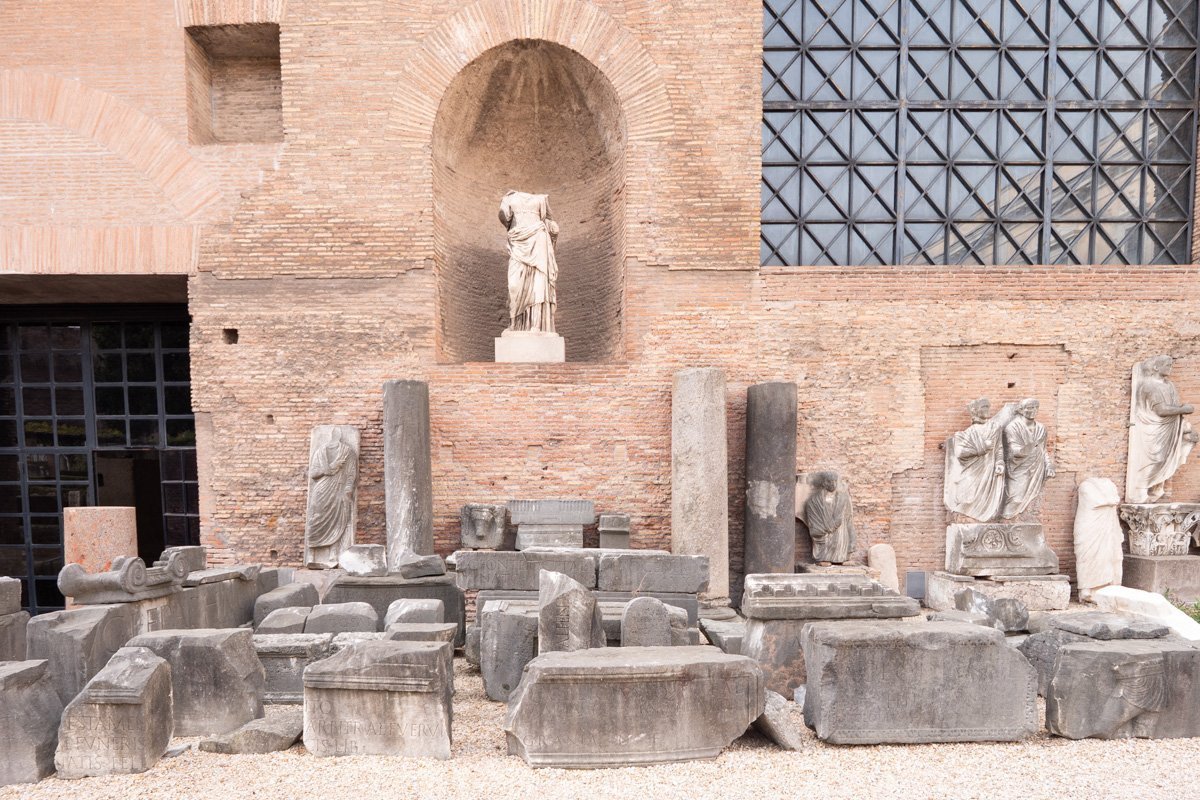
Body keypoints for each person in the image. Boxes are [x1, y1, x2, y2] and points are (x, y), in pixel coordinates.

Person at [1126, 355, 1197, 503]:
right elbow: (1161, 410)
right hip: (1153, 427)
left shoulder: (1169, 385)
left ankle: (1157, 488)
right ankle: (1140, 490)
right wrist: (1183, 409)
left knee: (1166, 458)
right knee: (1155, 459)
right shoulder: (1150, 385)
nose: (1169, 368)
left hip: (1169, 427)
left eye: (1170, 365)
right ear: (1156, 367)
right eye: (1166, 365)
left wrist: (1182, 423)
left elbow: (1173, 406)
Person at [499, 190, 559, 333]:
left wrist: (552, 227)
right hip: (518, 241)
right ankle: (514, 324)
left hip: (538, 239)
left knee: (538, 283)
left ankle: (536, 325)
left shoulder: (542, 199)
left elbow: (548, 220)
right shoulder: (508, 198)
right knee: (514, 285)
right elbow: (504, 217)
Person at [943, 397, 1006, 521]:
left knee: (985, 498)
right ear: (976, 411)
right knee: (967, 496)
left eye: (988, 406)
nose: (988, 410)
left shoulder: (995, 428)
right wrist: (981, 448)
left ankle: (982, 517)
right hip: (972, 471)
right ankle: (966, 518)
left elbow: (999, 448)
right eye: (984, 407)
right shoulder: (968, 433)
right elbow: (960, 453)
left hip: (989, 469)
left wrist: (1000, 462)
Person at [304, 427, 357, 568]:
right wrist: (328, 468)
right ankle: (311, 554)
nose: (336, 434)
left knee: (337, 521)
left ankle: (333, 554)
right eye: (334, 433)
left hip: (338, 489)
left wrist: (348, 488)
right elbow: (313, 473)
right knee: (315, 520)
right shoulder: (320, 452)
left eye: (338, 433)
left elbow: (351, 473)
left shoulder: (348, 452)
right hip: (321, 490)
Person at [1001, 398, 1054, 519]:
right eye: (1030, 407)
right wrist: (1032, 445)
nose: (1034, 410)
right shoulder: (1012, 427)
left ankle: (1022, 521)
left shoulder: (1041, 428)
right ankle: (1007, 521)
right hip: (1019, 468)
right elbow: (1014, 451)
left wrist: (1049, 465)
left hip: (1037, 467)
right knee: (1016, 498)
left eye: (1036, 407)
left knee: (1033, 501)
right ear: (1021, 410)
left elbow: (1043, 449)